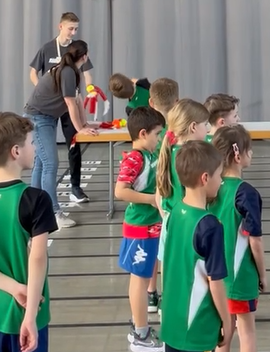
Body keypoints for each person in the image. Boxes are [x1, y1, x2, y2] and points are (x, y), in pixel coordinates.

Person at [0, 112, 57, 352]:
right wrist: (30, 315)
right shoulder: (36, 199)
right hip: (28, 312)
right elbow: (37, 258)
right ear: (16, 151)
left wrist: (13, 288)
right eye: (32, 142)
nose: (35, 148)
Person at [160, 141, 232, 352]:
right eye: (219, 175)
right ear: (205, 178)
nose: (221, 181)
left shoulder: (174, 212)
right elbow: (215, 282)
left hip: (172, 321)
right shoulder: (210, 225)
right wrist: (227, 322)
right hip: (196, 325)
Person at [24, 40, 97, 229]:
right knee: (50, 163)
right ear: (84, 57)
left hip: (45, 117)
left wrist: (85, 124)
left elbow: (77, 100)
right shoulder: (67, 72)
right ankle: (54, 213)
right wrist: (80, 129)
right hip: (38, 118)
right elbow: (70, 103)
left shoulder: (71, 71)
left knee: (41, 164)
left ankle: (33, 210)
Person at [210, 125, 266, 352]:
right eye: (249, 149)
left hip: (215, 277)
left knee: (224, 331)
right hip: (240, 277)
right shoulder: (246, 193)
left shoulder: (211, 188)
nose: (252, 153)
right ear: (237, 155)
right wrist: (263, 275)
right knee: (247, 331)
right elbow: (255, 241)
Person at [29, 12, 95, 204]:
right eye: (70, 28)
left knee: (73, 143)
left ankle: (75, 187)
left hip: (65, 105)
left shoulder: (76, 51)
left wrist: (83, 123)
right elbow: (33, 73)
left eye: (76, 29)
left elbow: (79, 92)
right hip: (47, 109)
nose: (73, 32)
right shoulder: (48, 49)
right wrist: (44, 90)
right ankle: (48, 207)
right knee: (47, 161)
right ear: (61, 27)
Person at [114, 106, 165, 352]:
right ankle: (140, 333)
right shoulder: (135, 158)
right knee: (139, 279)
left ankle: (140, 325)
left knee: (144, 276)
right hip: (140, 227)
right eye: (157, 134)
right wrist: (152, 199)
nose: (159, 139)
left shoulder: (150, 154)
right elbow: (120, 191)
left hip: (151, 225)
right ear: (143, 134)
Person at [156, 100, 211, 262]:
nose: (208, 129)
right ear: (193, 127)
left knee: (171, 270)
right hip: (189, 224)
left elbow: (159, 196)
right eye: (205, 124)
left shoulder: (169, 151)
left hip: (170, 221)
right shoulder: (192, 158)